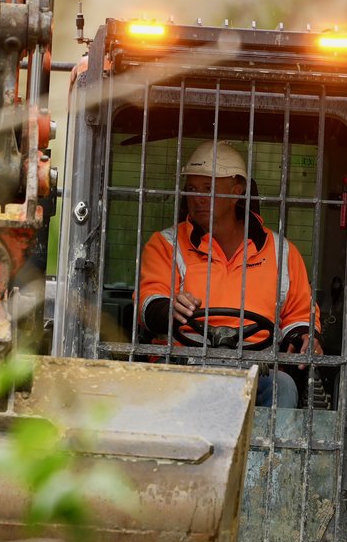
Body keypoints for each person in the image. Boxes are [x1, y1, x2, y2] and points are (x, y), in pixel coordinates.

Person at [135, 140, 319, 406]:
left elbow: (299, 314)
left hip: (256, 371)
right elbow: (149, 302)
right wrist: (168, 309)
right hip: (183, 368)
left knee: (284, 386)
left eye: (209, 189)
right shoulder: (165, 245)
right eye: (191, 189)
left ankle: (268, 449)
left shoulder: (282, 252)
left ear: (236, 192)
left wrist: (303, 336)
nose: (197, 198)